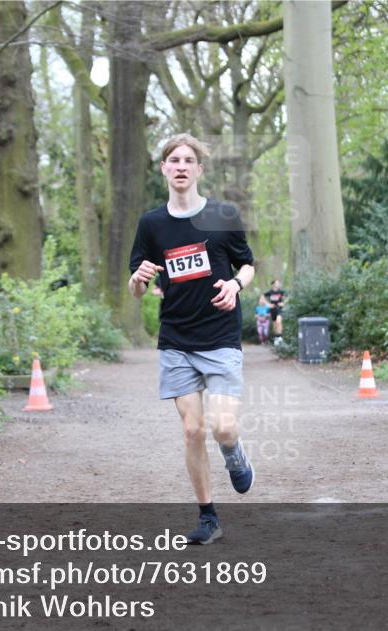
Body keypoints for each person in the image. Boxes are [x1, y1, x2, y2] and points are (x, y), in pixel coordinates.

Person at [128, 133, 256, 545]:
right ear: (164, 169)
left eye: (188, 160)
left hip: (219, 336)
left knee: (222, 427)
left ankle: (234, 453)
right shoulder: (151, 224)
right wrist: (137, 280)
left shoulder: (222, 214)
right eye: (173, 160)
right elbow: (137, 286)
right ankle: (208, 517)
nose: (181, 166)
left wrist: (236, 284)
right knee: (192, 431)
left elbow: (249, 264)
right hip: (176, 340)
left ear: (199, 170)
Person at [264, 279, 287, 345]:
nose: (278, 284)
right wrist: (267, 304)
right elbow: (262, 297)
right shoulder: (270, 292)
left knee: (278, 321)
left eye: (278, 283)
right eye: (276, 283)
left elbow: (288, 297)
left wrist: (283, 303)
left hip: (279, 309)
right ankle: (276, 337)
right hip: (272, 309)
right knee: (275, 324)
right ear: (273, 284)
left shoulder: (281, 292)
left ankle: (280, 337)